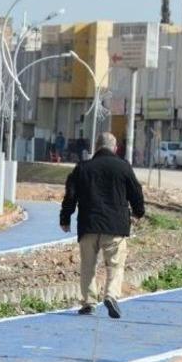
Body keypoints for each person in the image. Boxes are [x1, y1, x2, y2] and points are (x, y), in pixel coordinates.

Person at [60, 131, 145, 319]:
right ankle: (111, 295)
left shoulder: (82, 168)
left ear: (96, 147)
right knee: (115, 265)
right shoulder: (123, 167)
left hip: (88, 225)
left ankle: (89, 303)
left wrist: (65, 218)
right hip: (115, 226)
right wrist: (138, 212)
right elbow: (136, 192)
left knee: (88, 266)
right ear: (115, 148)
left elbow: (70, 195)